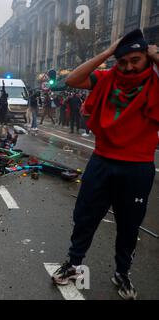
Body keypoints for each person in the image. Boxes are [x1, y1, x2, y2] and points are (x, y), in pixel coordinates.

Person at [52, 29, 159, 300]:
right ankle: (74, 263)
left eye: (135, 60)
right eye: (123, 62)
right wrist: (109, 52)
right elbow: (72, 80)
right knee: (85, 215)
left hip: (137, 166)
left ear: (146, 58)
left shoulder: (155, 83)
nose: (129, 67)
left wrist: (156, 57)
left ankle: (122, 272)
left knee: (129, 225)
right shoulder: (106, 78)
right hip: (102, 160)